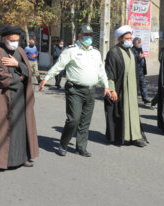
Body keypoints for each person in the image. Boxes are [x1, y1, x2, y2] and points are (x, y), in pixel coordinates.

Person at [39, 25, 110, 156]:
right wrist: (47, 77)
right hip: (75, 90)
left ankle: (81, 147)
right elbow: (59, 65)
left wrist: (106, 85)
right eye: (85, 35)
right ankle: (63, 144)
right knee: (74, 119)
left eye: (90, 35)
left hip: (90, 91)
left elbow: (101, 70)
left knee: (85, 121)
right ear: (80, 36)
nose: (88, 37)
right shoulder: (71, 50)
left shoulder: (96, 52)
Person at [0, 26, 39, 169]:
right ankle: (4, 161)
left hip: (21, 98)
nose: (14, 43)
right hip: (4, 96)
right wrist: (20, 77)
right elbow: (0, 77)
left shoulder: (20, 51)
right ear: (4, 39)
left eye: (17, 40)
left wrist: (17, 64)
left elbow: (28, 71)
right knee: (4, 129)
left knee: (21, 128)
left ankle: (22, 158)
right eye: (11, 40)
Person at [104, 25, 148, 147]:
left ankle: (135, 137)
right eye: (127, 38)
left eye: (130, 37)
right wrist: (112, 90)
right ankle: (121, 136)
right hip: (120, 88)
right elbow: (109, 73)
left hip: (132, 89)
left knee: (133, 113)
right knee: (121, 114)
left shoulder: (131, 51)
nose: (130, 40)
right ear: (120, 39)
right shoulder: (113, 52)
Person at [131, 37, 150, 104]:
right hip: (136, 70)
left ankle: (145, 98)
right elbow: (133, 59)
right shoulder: (132, 50)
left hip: (141, 69)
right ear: (134, 43)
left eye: (140, 42)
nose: (140, 44)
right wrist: (139, 57)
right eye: (138, 42)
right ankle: (133, 98)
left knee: (143, 84)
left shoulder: (140, 49)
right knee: (136, 85)